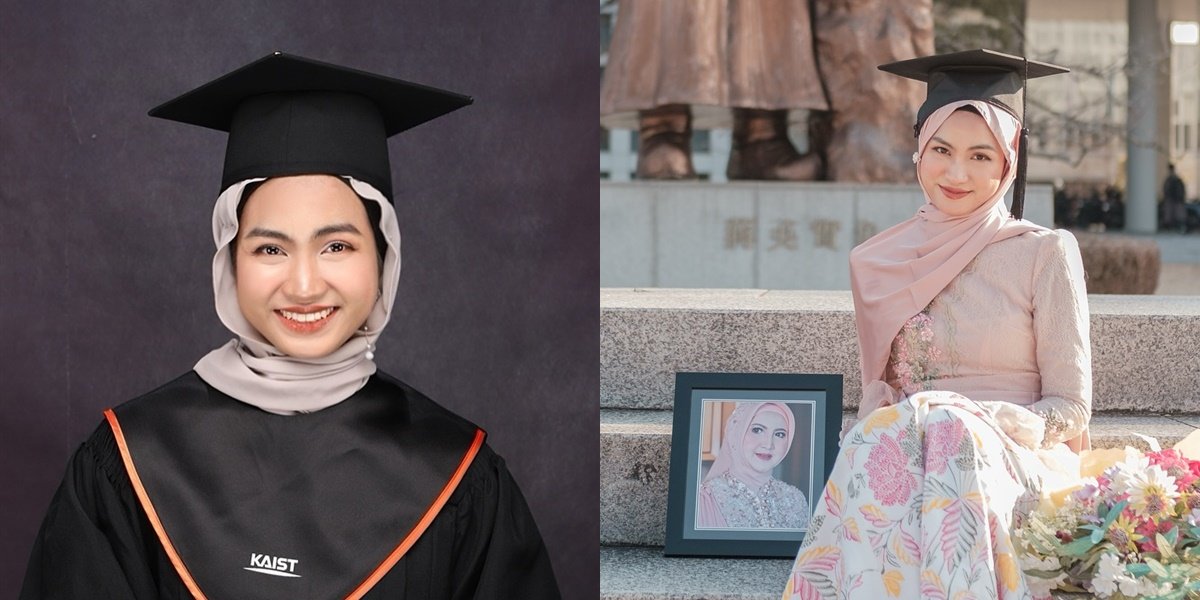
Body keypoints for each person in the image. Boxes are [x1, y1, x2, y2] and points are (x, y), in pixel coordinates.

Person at [20, 53, 560, 599]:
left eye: (337, 245)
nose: (303, 286)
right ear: (229, 262)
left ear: (384, 258)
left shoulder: (458, 474)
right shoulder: (128, 462)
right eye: (271, 248)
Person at [782, 49, 1090, 599]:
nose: (956, 173)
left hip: (1011, 459)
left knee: (951, 428)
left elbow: (1072, 407)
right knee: (887, 432)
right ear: (919, 151)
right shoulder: (880, 260)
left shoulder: (1044, 252)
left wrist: (1005, 422)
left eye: (980, 156)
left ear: (1008, 163)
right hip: (913, 454)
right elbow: (883, 394)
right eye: (942, 150)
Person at [697, 402, 810, 530]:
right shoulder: (704, 500)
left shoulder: (796, 500)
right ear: (735, 433)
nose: (768, 444)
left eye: (779, 434)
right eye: (757, 430)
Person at [1164, 162, 1187, 233]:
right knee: (1173, 215)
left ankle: (1179, 228)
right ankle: (1175, 228)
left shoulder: (1175, 180)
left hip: (1176, 200)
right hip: (1174, 200)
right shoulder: (1172, 180)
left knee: (1177, 215)